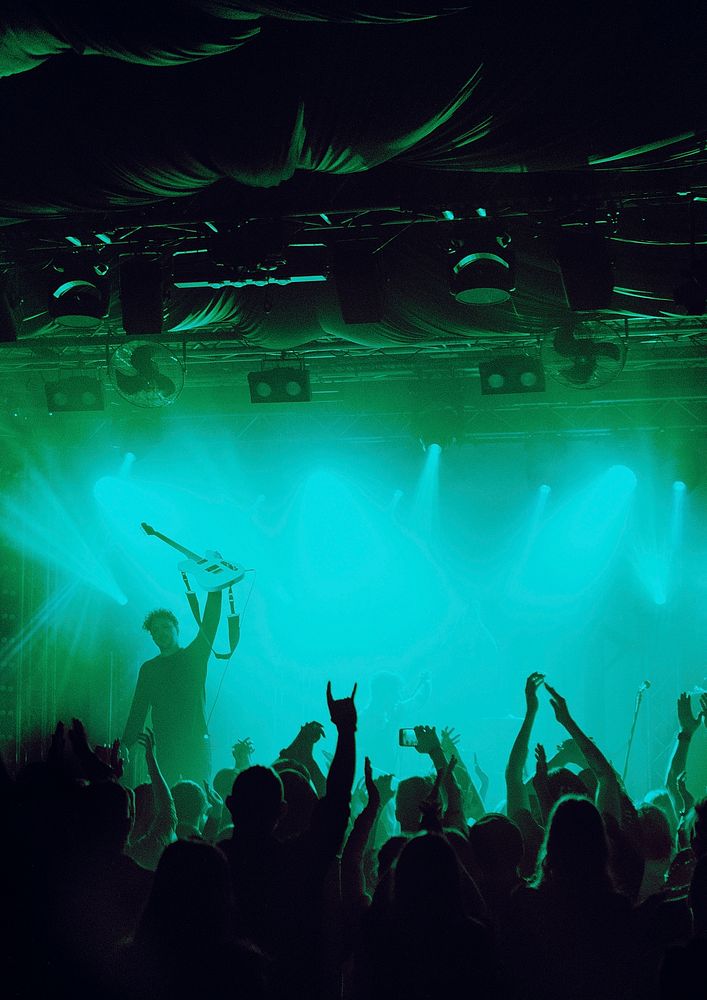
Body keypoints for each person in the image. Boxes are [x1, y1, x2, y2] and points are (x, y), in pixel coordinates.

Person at [122, 591, 222, 786]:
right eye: (155, 630)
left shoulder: (195, 656)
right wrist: (125, 745)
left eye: (165, 627)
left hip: (196, 747)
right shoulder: (149, 669)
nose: (161, 633)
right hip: (166, 750)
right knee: (169, 807)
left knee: (198, 802)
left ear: (177, 628)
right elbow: (138, 710)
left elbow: (209, 624)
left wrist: (215, 588)